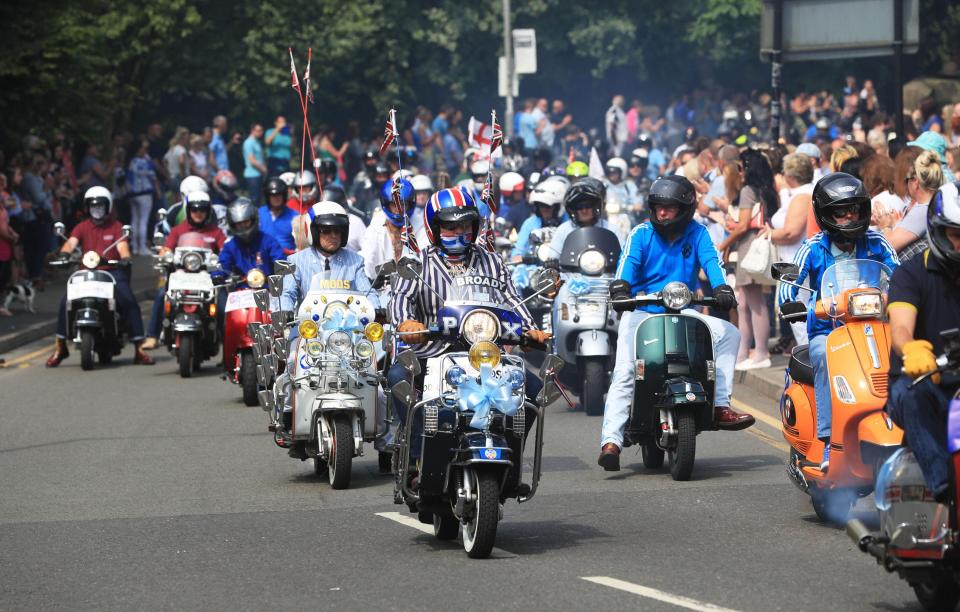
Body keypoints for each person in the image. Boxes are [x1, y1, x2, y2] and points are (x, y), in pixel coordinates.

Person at [597, 175, 752, 470]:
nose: (662, 213)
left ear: (685, 210)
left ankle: (720, 405)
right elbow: (626, 265)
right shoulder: (640, 233)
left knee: (729, 333)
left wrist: (721, 288)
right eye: (658, 207)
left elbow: (712, 263)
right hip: (641, 311)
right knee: (626, 370)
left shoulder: (699, 233)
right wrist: (621, 287)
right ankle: (611, 441)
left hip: (683, 310)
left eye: (669, 208)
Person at [385, 187, 550, 454]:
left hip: (485, 354)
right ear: (434, 228)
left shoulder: (492, 262)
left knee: (534, 389)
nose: (459, 231)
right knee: (397, 376)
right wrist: (407, 324)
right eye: (450, 226)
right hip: (431, 353)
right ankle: (416, 456)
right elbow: (400, 300)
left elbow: (512, 300)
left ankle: (513, 455)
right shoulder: (416, 262)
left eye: (465, 224)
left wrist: (531, 331)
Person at [778, 173, 899, 472]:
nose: (849, 216)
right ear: (825, 214)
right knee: (820, 357)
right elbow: (787, 285)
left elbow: (900, 275)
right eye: (840, 211)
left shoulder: (877, 241)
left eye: (854, 209)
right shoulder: (813, 246)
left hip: (875, 330)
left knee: (903, 360)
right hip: (829, 334)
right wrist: (796, 305)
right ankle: (829, 440)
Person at [885, 181, 960, 501]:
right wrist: (911, 348)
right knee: (911, 394)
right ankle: (943, 487)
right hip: (926, 380)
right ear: (938, 231)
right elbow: (901, 326)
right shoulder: (910, 274)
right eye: (956, 235)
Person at [278, 201, 373, 441]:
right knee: (292, 363)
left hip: (347, 332)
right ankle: (288, 415)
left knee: (374, 371)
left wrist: (379, 304)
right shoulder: (296, 261)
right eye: (327, 231)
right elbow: (287, 293)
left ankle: (383, 436)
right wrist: (284, 310)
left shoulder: (355, 261)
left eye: (338, 231)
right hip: (308, 331)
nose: (333, 236)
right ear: (314, 232)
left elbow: (367, 291)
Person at [46, 187, 154, 366]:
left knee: (129, 301)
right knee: (65, 302)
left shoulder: (116, 226)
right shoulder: (82, 227)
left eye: (101, 205)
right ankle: (60, 347)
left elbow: (122, 247)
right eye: (93, 205)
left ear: (108, 206)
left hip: (111, 272)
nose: (97, 209)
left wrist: (125, 259)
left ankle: (138, 348)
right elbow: (70, 243)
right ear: (87, 207)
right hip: (86, 272)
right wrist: (64, 254)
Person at [717, 149, 779, 371]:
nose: (739, 171)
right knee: (745, 303)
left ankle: (759, 352)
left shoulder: (747, 191)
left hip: (748, 249)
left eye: (741, 166)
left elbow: (743, 224)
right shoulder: (766, 190)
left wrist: (723, 245)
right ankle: (744, 352)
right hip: (754, 247)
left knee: (753, 303)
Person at [141, 191, 226, 350]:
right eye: (194, 209)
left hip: (209, 278)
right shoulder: (178, 230)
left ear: (208, 212)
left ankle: (227, 346)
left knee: (223, 304)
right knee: (161, 295)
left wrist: (223, 262)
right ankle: (152, 335)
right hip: (181, 276)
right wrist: (165, 255)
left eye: (202, 210)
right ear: (188, 211)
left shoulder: (216, 231)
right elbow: (166, 249)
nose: (198, 213)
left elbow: (225, 251)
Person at [879, 150, 944, 261]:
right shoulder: (937, 203)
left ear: (916, 182)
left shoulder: (924, 209)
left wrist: (885, 226)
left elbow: (888, 247)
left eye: (907, 180)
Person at [359, 178, 428, 281]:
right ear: (386, 204)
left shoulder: (420, 224)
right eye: (394, 204)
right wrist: (367, 280)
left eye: (403, 204)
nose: (399, 209)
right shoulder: (376, 224)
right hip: (382, 287)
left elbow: (425, 256)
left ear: (410, 204)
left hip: (414, 284)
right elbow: (367, 257)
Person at [547, 178, 624, 258]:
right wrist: (552, 263)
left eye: (588, 206)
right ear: (572, 210)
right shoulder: (563, 230)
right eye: (579, 207)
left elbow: (624, 256)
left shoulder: (612, 229)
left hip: (606, 270)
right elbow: (552, 256)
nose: (584, 210)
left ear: (596, 207)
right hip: (570, 270)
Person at [511, 177, 566, 261]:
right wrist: (517, 256)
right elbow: (519, 248)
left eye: (548, 206)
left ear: (558, 207)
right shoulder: (530, 223)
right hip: (534, 268)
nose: (543, 209)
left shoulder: (568, 223)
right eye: (540, 205)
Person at [258, 177, 298, 254]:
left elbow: (301, 246)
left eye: (279, 194)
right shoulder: (258, 215)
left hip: (287, 261)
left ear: (284, 195)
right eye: (273, 195)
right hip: (263, 259)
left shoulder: (295, 216)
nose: (276, 198)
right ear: (267, 196)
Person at [242, 124, 266, 206]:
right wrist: (262, 169)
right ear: (252, 131)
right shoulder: (248, 143)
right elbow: (252, 160)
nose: (261, 133)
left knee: (259, 198)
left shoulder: (257, 142)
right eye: (258, 131)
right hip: (252, 174)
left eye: (261, 130)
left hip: (258, 174)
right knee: (254, 199)